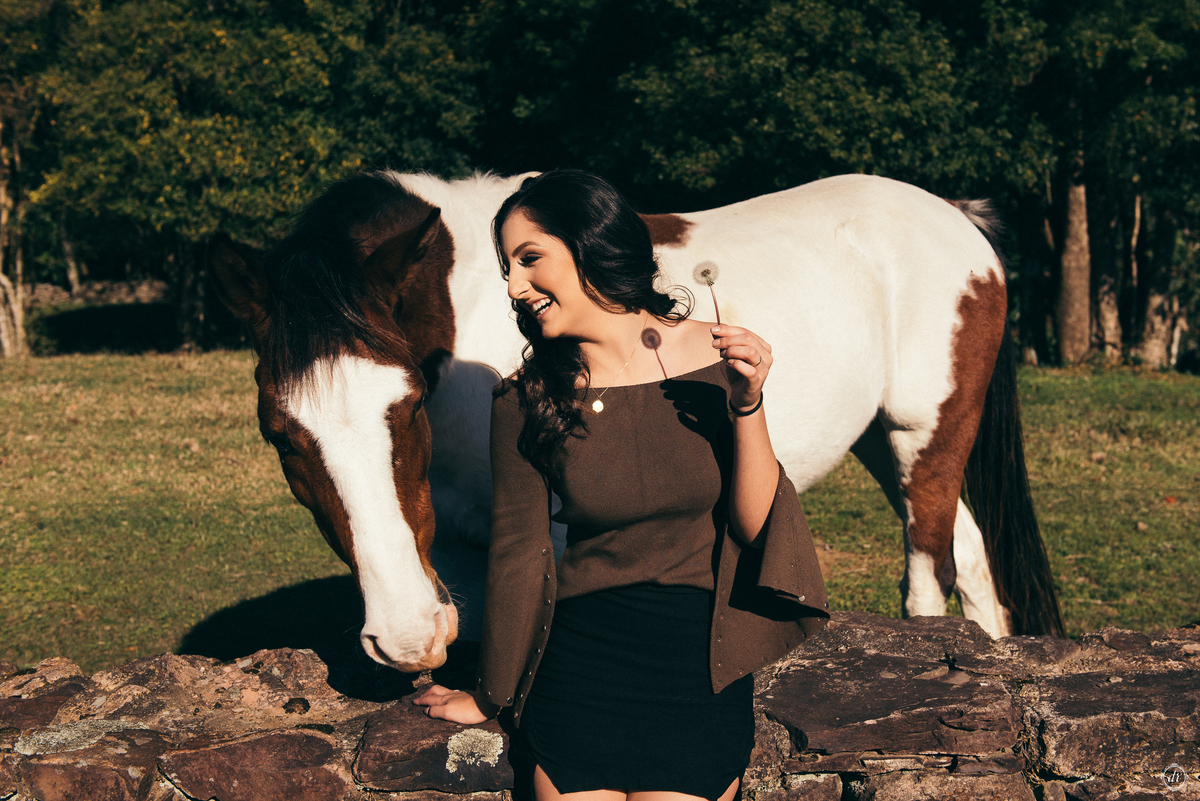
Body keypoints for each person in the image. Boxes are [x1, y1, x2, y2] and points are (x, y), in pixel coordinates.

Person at [415, 169, 828, 801]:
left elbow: (754, 527)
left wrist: (749, 405)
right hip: (578, 665)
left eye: (529, 259)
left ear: (589, 245)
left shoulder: (718, 367)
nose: (514, 286)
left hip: (699, 665)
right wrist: (490, 693)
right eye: (506, 267)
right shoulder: (525, 402)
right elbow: (519, 554)